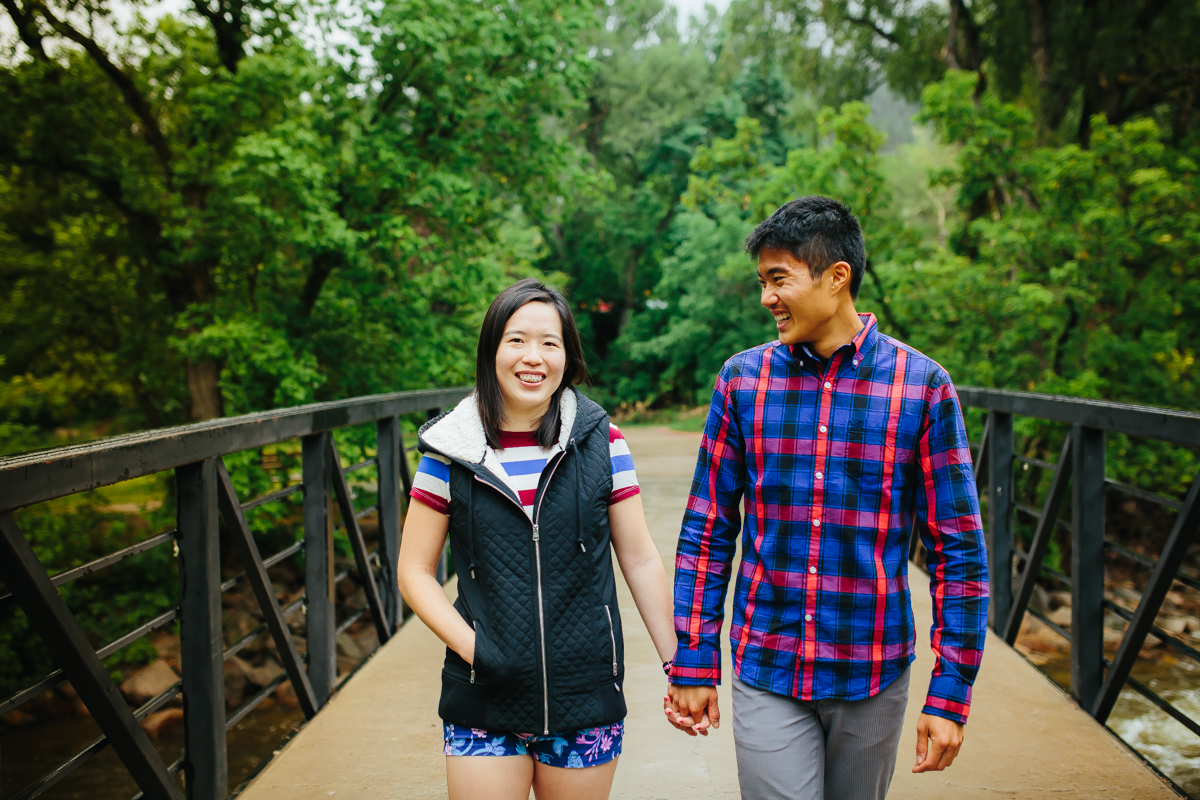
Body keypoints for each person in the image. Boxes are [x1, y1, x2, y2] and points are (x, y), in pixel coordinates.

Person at [663, 196, 990, 800]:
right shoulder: (741, 381)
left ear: (837, 277)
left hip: (873, 667)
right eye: (762, 281)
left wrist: (951, 689)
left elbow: (960, 551)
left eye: (779, 279)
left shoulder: (923, 386)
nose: (767, 298)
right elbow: (707, 531)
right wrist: (694, 656)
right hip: (767, 664)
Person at [397, 278, 676, 800]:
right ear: (492, 350)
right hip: (484, 695)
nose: (534, 357)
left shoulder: (602, 441)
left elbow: (639, 559)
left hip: (584, 694)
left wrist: (677, 663)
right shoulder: (447, 451)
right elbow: (413, 571)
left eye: (551, 342)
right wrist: (475, 648)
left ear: (568, 356)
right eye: (517, 339)